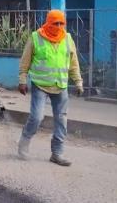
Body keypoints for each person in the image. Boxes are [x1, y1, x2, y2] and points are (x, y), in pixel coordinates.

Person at [17, 10, 83, 166]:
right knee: (37, 117)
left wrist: (78, 81)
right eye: (55, 23)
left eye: (61, 23)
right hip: (40, 85)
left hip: (61, 85)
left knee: (61, 120)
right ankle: (24, 142)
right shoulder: (36, 37)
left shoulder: (67, 39)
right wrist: (22, 80)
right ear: (48, 22)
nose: (58, 26)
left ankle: (57, 154)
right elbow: (25, 61)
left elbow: (73, 63)